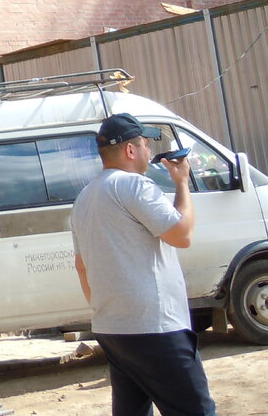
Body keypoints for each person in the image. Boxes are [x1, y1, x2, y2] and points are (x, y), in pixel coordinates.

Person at [70, 113, 217, 416]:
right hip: (155, 327)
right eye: (146, 144)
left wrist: (106, 309)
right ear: (130, 150)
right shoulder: (135, 186)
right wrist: (182, 183)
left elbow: (81, 266)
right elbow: (182, 234)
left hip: (112, 328)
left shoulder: (83, 198)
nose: (150, 151)